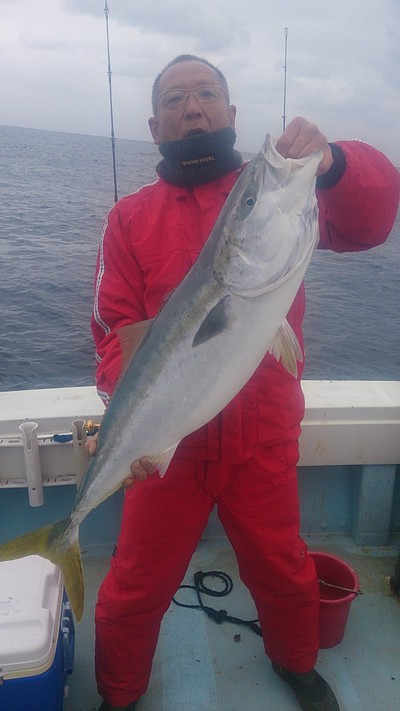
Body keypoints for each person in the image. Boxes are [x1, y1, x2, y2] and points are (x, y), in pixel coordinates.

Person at [90, 54, 400, 711]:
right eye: (176, 98)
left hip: (260, 438)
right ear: (154, 125)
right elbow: (114, 331)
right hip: (168, 446)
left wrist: (333, 162)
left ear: (232, 112)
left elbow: (372, 220)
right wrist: (138, 415)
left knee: (284, 570)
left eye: (207, 93)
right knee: (134, 586)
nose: (193, 106)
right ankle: (118, 693)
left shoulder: (279, 197)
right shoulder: (130, 219)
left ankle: (296, 663)